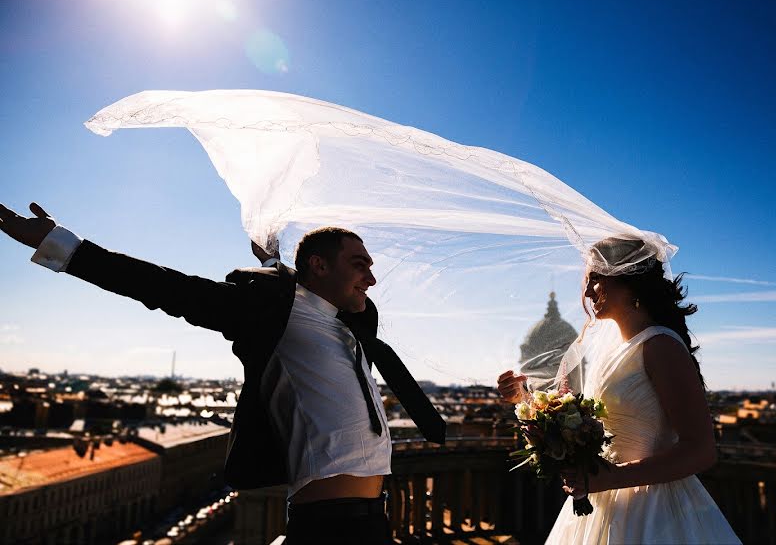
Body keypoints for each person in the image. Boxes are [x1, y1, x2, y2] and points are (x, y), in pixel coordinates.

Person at [0, 202, 445, 545]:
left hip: (374, 516)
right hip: (328, 525)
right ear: (320, 266)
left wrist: (276, 262)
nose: (370, 278)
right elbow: (165, 288)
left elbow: (318, 288)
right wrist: (64, 247)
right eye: (359, 264)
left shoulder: (351, 321)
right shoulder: (266, 311)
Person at [498, 236, 740, 544]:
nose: (586, 293)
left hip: (653, 508)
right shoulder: (611, 349)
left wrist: (614, 477)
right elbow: (584, 417)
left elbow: (702, 450)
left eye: (595, 279)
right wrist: (525, 399)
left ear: (629, 280)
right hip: (604, 501)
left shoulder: (660, 346)